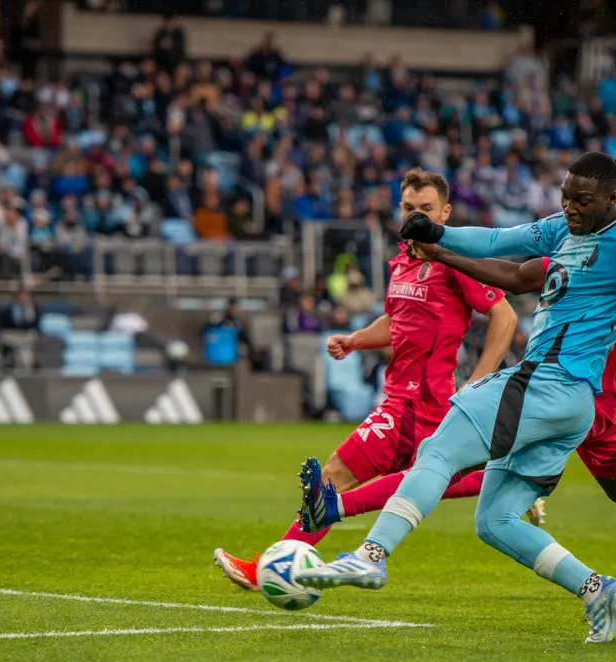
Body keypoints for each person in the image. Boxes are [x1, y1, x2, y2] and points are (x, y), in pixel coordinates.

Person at [295, 153, 616, 643]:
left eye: (581, 200)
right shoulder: (564, 229)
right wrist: (441, 235)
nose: (570, 208)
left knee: (439, 450)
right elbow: (500, 239)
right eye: (565, 197)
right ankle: (598, 590)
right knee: (496, 521)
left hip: (551, 383)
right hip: (574, 406)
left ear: (613, 201)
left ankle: (371, 556)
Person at [212, 168, 519, 590]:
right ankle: (507, 485)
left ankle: (266, 571)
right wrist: (356, 340)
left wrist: (480, 379)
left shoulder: (454, 263)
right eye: (409, 208)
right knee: (426, 480)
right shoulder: (402, 262)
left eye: (426, 209)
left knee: (332, 480)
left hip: (419, 404)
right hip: (399, 398)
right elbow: (396, 322)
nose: (417, 216)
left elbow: (504, 315)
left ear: (444, 213)